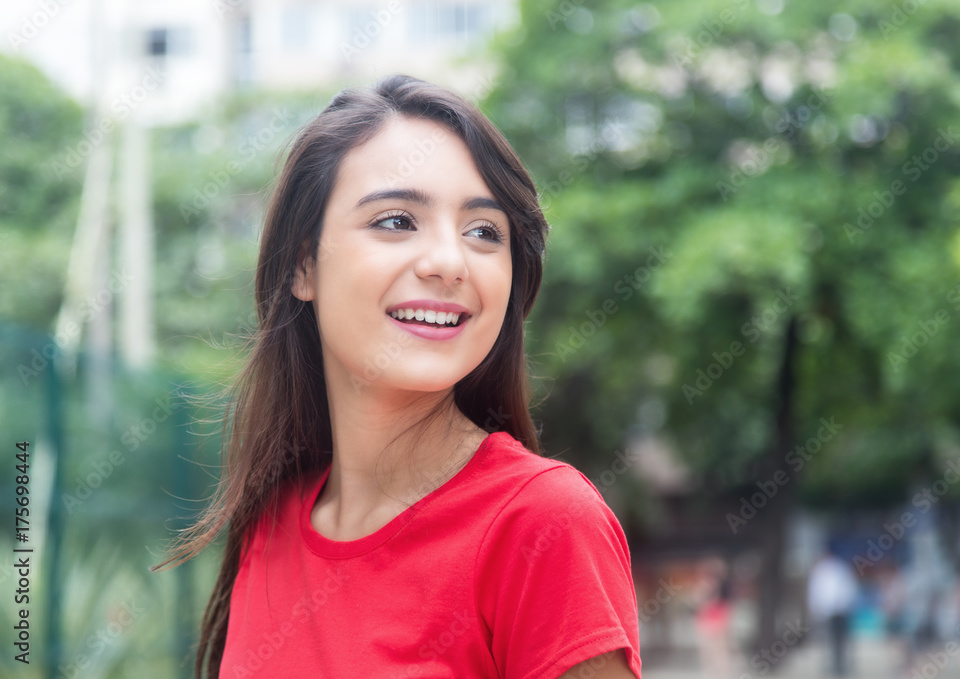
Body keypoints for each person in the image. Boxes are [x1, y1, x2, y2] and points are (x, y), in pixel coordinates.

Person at [154, 75, 641, 678]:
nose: (448, 262)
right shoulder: (270, 520)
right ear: (303, 265)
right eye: (396, 221)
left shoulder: (544, 524)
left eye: (484, 232)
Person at [807, 542, 858, 677]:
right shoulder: (819, 570)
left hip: (840, 610)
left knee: (840, 639)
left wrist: (846, 604)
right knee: (828, 639)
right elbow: (815, 592)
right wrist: (816, 609)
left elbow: (848, 587)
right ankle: (832, 664)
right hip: (826, 611)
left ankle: (841, 665)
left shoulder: (841, 567)